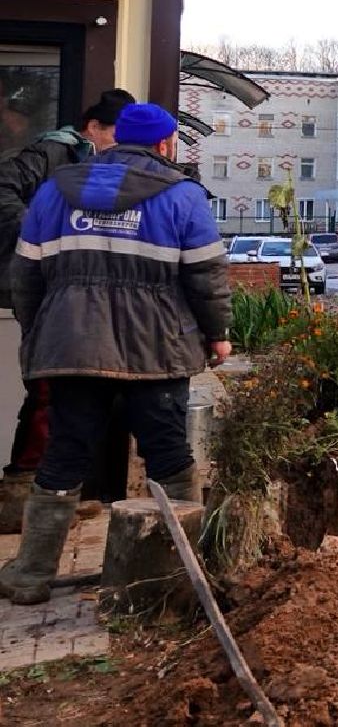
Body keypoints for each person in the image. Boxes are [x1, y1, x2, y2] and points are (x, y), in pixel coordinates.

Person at [0, 103, 230, 605]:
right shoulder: (183, 195)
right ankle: (177, 573)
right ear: (166, 144)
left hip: (73, 344)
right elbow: (207, 277)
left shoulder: (55, 191)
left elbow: (25, 276)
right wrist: (218, 334)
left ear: (108, 138)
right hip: (157, 349)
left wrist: (41, 328)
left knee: (64, 455)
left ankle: (29, 576)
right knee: (168, 457)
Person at [0, 87, 135, 533]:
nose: (119, 144)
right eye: (114, 133)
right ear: (93, 127)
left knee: (66, 394)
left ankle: (51, 497)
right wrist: (41, 234)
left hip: (71, 290)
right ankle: (19, 499)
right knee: (47, 389)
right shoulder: (54, 151)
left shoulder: (101, 164)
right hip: (40, 285)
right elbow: (2, 189)